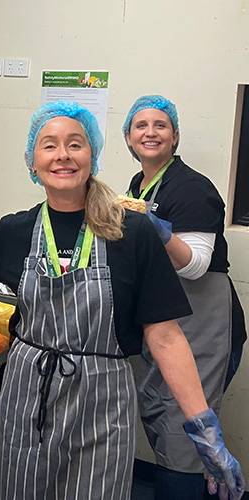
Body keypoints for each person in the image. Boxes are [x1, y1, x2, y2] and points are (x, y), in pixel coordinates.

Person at [0, 101, 245, 500]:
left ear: (93, 157)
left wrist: (202, 426)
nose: (63, 155)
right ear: (32, 162)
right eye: (49, 145)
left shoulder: (132, 232)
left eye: (76, 144)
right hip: (27, 394)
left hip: (104, 402)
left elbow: (166, 337)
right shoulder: (14, 229)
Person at [122, 95, 246, 500]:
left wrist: (159, 231)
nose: (150, 132)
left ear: (175, 136)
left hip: (203, 322)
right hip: (165, 319)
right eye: (141, 125)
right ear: (128, 137)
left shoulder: (193, 187)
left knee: (185, 437)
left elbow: (195, 265)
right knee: (159, 416)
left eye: (160, 125)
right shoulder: (137, 185)